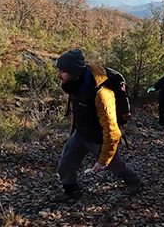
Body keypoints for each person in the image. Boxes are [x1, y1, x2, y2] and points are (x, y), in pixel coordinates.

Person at [54, 48, 141, 202]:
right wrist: (72, 134)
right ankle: (71, 190)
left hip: (100, 139)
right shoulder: (75, 84)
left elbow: (112, 131)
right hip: (81, 134)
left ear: (74, 71)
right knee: (65, 163)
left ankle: (134, 182)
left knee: (115, 166)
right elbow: (78, 113)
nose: (59, 75)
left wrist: (103, 160)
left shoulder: (101, 94)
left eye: (63, 71)